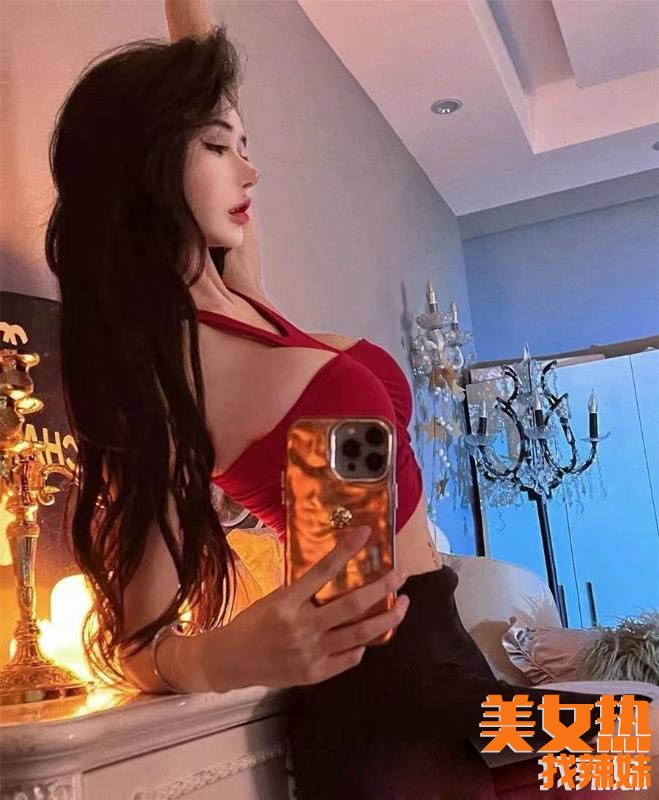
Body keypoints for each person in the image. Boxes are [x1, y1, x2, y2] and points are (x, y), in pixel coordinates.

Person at [44, 4, 655, 798]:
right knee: (643, 744)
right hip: (380, 698)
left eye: (244, 146)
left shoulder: (246, 301)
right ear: (144, 162)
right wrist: (221, 654)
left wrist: (200, 66)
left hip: (442, 666)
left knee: (640, 740)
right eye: (219, 147)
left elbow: (203, 59)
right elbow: (138, 642)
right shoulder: (166, 373)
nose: (249, 171)